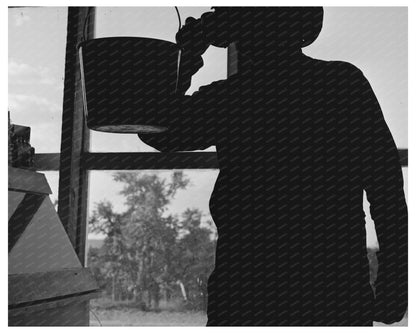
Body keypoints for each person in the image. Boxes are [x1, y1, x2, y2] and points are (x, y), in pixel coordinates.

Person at [138, 7, 407, 326]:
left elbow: (153, 125)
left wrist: (188, 55)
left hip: (245, 292)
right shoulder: (341, 84)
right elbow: (387, 189)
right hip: (333, 290)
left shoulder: (230, 99)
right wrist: (395, 283)